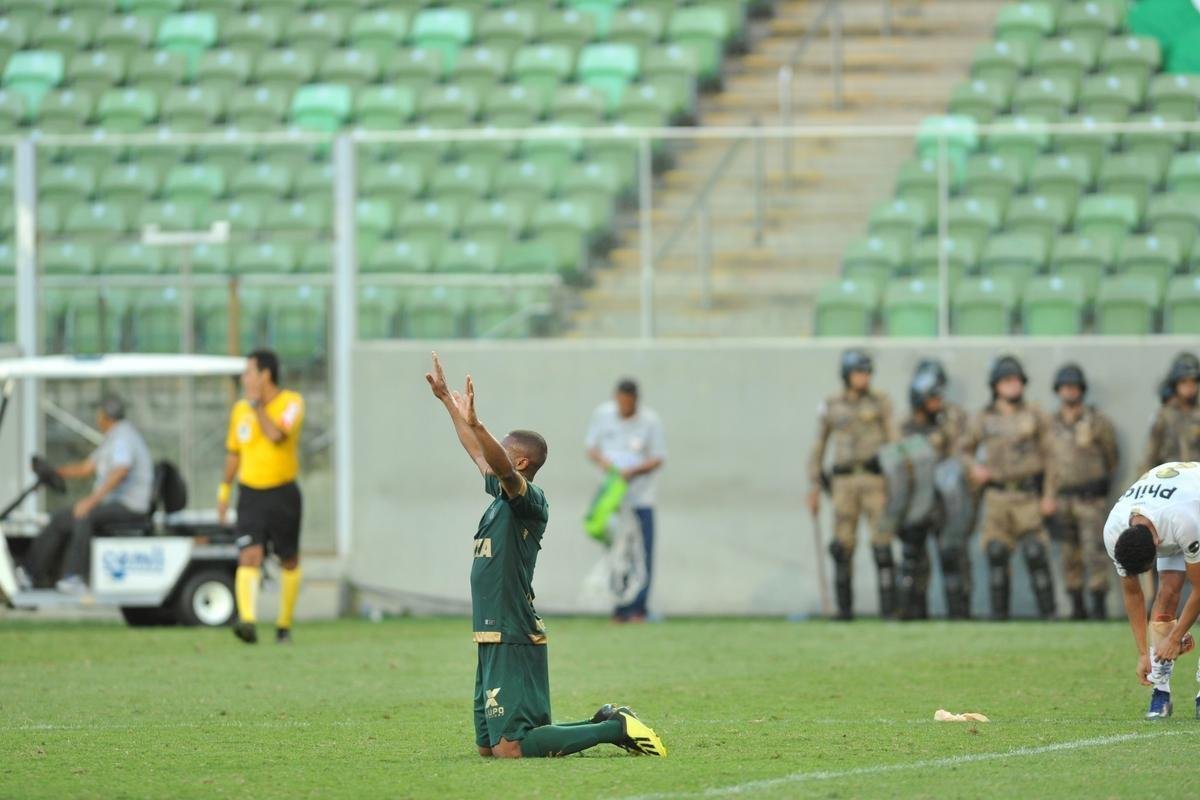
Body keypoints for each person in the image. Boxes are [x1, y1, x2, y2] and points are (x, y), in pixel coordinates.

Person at [424, 352, 667, 758]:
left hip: (513, 630)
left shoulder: (529, 500)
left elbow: (498, 465)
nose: (493, 454)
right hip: (491, 631)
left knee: (511, 748)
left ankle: (615, 729)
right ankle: (604, 720)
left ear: (520, 462)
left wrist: (478, 424)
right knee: (489, 748)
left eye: (503, 450)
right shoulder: (500, 497)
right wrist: (448, 403)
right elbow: (481, 456)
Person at [16, 395, 153, 593]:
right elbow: (86, 468)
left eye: (99, 413)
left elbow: (121, 470)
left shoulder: (123, 437)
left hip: (130, 506)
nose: (97, 418)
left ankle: (74, 577)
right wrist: (54, 473)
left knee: (85, 515)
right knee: (60, 519)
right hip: (114, 503)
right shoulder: (112, 439)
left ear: (106, 416)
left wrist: (91, 501)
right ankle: (30, 573)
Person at [959, 355, 1058, 620]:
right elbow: (963, 450)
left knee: (1035, 553)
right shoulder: (983, 417)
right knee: (996, 553)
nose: (1013, 385)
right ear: (995, 385)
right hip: (997, 496)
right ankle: (999, 618)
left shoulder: (1035, 414)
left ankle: (1049, 616)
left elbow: (1051, 456)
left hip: (1027, 495)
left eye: (1017, 380)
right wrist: (973, 467)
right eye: (1006, 380)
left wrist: (1049, 495)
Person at [218, 349, 305, 645]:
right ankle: (248, 622)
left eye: (249, 373)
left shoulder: (292, 403)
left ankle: (283, 626)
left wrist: (257, 407)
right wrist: (224, 491)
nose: (244, 379)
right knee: (249, 555)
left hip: (283, 493)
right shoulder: (239, 410)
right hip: (250, 494)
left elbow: (277, 435)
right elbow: (234, 453)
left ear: (265, 375)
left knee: (288, 559)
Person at [1104, 462, 1200, 720]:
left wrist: (1175, 637)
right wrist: (1143, 653)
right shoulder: (1113, 532)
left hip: (1193, 502)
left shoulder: (1183, 521)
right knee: (1166, 595)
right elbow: (1133, 594)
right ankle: (1161, 691)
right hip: (1167, 505)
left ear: (1157, 544)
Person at [808, 349, 898, 620]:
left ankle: (889, 610)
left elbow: (895, 440)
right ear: (847, 374)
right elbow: (819, 445)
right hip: (843, 482)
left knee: (882, 543)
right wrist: (814, 483)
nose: (864, 377)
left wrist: (893, 477)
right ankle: (844, 610)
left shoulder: (881, 402)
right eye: (859, 372)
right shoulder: (832, 404)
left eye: (867, 372)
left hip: (874, 480)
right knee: (842, 546)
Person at [885, 361, 974, 620]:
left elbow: (958, 456)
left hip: (943, 501)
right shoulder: (902, 425)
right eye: (933, 397)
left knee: (951, 555)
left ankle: (959, 614)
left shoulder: (947, 422)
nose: (938, 402)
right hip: (914, 502)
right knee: (912, 559)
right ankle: (911, 613)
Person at [585, 379, 666, 622]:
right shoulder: (602, 415)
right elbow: (591, 449)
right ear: (616, 398)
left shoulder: (650, 421)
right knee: (617, 552)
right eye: (621, 403)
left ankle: (639, 608)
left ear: (636, 401)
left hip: (641, 499)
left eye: (629, 404)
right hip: (613, 501)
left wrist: (634, 471)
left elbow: (658, 457)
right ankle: (620, 607)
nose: (625, 408)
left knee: (642, 553)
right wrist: (608, 466)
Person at [1047, 363, 1119, 621]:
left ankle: (1098, 606)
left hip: (1090, 500)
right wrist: (1049, 496)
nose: (1069, 391)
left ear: (1082, 389)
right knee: (1069, 554)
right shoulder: (1051, 423)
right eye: (1065, 387)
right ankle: (1077, 606)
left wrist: (1097, 482)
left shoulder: (1098, 421)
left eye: (1074, 386)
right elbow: (1049, 461)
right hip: (1063, 499)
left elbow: (1112, 457)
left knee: (1095, 552)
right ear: (1058, 390)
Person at [1141, 353, 1200, 472]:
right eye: (1184, 382)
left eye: (1193, 381)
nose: (1189, 386)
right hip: (1170, 476)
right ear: (1175, 384)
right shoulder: (1164, 415)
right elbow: (1151, 453)